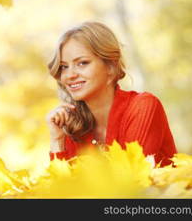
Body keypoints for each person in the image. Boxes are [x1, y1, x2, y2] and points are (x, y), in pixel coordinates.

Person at [46, 21, 177, 167]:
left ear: (110, 66)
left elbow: (130, 180)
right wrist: (57, 141)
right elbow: (62, 186)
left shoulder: (143, 106)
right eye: (64, 67)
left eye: (82, 63)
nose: (69, 75)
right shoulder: (71, 126)